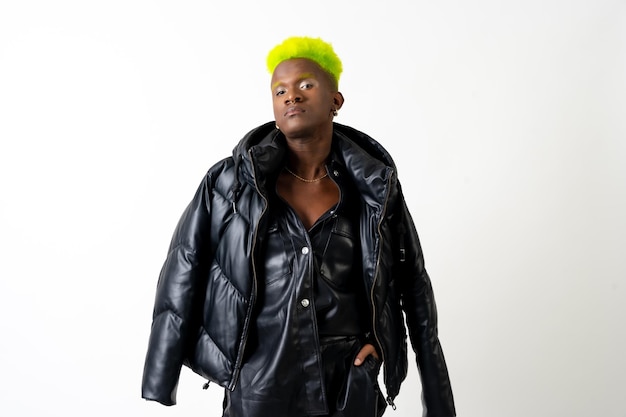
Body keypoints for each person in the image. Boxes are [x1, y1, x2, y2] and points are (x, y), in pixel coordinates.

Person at [141, 36, 456, 417]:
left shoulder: (373, 187)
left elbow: (413, 284)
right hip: (258, 385)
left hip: (348, 386)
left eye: (306, 85)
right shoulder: (230, 184)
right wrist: (160, 377)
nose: (292, 96)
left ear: (335, 101)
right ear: (274, 107)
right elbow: (182, 269)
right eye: (280, 90)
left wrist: (436, 399)